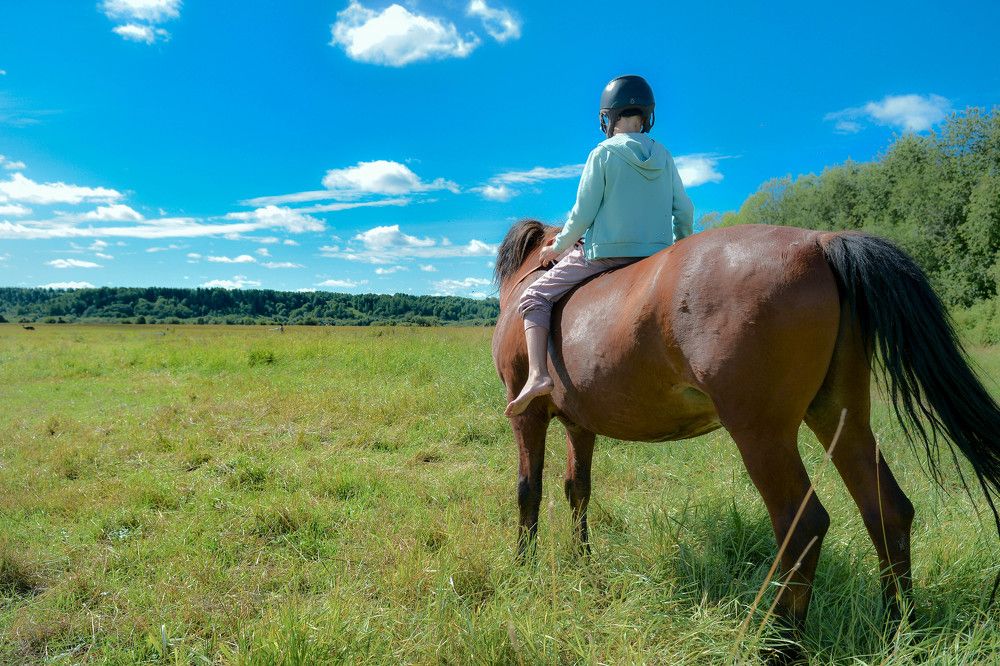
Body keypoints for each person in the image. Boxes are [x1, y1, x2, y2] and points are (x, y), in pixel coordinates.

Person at [505, 74, 695, 417]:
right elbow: (684, 209)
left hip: (605, 255)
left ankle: (536, 376)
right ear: (647, 115)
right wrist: (681, 248)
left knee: (534, 296)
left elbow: (582, 214)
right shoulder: (664, 155)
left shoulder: (603, 153)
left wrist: (557, 246)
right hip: (657, 256)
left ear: (609, 115)